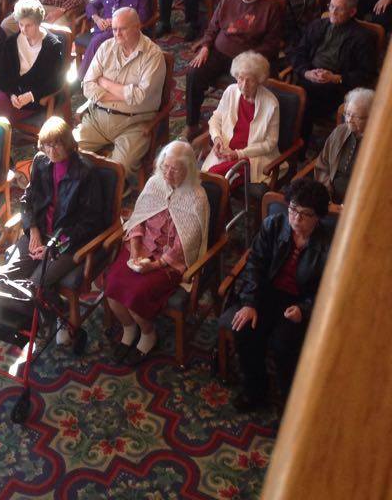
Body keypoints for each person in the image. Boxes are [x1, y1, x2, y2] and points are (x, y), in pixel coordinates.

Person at [221, 177, 331, 411]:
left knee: (284, 345)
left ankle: (289, 403)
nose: (296, 218)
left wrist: (305, 309)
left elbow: (328, 289)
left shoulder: (328, 245)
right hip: (267, 293)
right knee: (244, 330)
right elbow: (255, 265)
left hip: (299, 302)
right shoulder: (274, 225)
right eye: (293, 209)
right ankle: (256, 391)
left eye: (305, 214)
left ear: (318, 216)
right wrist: (249, 302)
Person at [0, 116, 106, 345]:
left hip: (67, 241)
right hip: (40, 232)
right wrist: (33, 228)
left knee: (36, 286)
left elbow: (90, 223)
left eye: (56, 144)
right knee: (4, 278)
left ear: (68, 143)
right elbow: (27, 200)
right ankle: (47, 313)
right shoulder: (40, 161)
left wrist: (53, 245)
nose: (51, 150)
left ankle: (59, 317)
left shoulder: (85, 173)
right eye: (46, 144)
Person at [105, 141, 209, 366]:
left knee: (137, 294)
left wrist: (154, 265)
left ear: (188, 170)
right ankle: (129, 328)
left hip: (168, 262)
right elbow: (138, 219)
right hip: (140, 249)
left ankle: (148, 333)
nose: (168, 173)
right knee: (112, 284)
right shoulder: (154, 183)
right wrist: (134, 250)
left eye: (175, 169)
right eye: (165, 166)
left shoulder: (196, 197)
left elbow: (186, 244)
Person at [184, 0, 282, 140]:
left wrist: (249, 58)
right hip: (219, 52)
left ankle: (232, 131)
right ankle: (192, 124)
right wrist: (205, 46)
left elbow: (272, 44)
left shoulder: (270, 8)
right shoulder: (229, 0)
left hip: (247, 60)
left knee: (241, 89)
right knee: (194, 72)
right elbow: (213, 27)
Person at [76, 7, 166, 183]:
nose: (116, 34)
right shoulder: (106, 47)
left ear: (137, 27)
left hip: (133, 123)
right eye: (114, 28)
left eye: (122, 29)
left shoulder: (153, 55)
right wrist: (124, 94)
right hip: (97, 119)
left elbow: (140, 97)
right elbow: (87, 86)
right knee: (68, 150)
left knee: (118, 170)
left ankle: (107, 192)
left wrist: (104, 83)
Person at [288, 0, 377, 144]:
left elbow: (366, 74)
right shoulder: (317, 25)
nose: (333, 12)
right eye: (331, 6)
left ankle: (297, 148)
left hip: (336, 86)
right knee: (289, 97)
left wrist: (336, 78)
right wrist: (306, 72)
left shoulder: (363, 37)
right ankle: (292, 143)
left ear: (352, 12)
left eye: (339, 9)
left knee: (303, 101)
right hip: (309, 76)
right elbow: (298, 52)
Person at [201, 52, 280, 187]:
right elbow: (216, 118)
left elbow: (270, 143)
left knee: (214, 179)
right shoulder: (231, 91)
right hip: (225, 149)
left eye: (250, 80)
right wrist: (217, 138)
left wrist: (239, 154)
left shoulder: (271, 104)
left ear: (259, 80)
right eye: (240, 78)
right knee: (210, 179)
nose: (243, 85)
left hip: (252, 157)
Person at [0, 0, 65, 125]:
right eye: (21, 24)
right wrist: (12, 95)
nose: (24, 30)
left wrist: (31, 96)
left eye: (28, 25)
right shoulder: (11, 43)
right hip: (12, 95)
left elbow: (56, 82)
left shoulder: (53, 46)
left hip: (36, 98)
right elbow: (4, 75)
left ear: (38, 23)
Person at [79, 0, 150, 78]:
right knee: (97, 41)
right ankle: (93, 79)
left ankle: (83, 79)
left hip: (124, 32)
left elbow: (143, 17)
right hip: (102, 28)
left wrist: (119, 22)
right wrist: (97, 19)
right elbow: (91, 5)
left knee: (96, 42)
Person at [313, 87, 374, 204]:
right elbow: (323, 165)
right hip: (328, 198)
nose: (349, 120)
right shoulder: (339, 131)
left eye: (356, 116)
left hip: (359, 204)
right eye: (347, 114)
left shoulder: (377, 144)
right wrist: (326, 194)